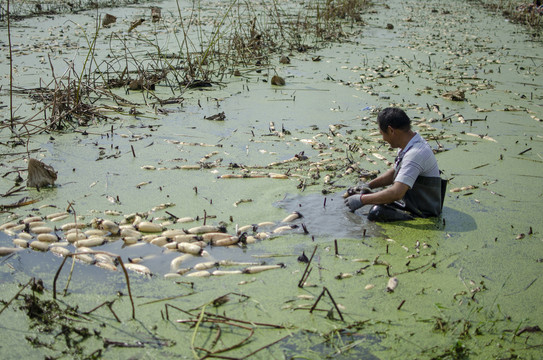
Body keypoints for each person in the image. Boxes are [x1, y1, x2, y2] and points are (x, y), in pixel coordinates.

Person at [344, 107, 446, 222]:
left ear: (391, 131)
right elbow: (395, 172)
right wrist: (368, 185)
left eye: (382, 133)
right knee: (377, 196)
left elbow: (397, 193)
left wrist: (362, 200)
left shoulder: (415, 154)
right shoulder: (408, 143)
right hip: (410, 201)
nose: (383, 138)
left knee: (376, 212)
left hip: (422, 212)